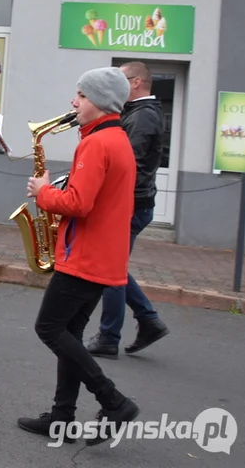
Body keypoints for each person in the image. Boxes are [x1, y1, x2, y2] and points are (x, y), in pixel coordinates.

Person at [18, 67, 141, 447]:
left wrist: (42, 192)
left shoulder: (96, 144)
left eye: (81, 96)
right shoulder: (118, 140)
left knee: (49, 329)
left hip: (85, 257)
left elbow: (78, 204)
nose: (74, 102)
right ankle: (63, 418)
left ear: (101, 101)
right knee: (69, 332)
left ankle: (113, 401)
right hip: (103, 258)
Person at [86, 62, 170, 358]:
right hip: (134, 202)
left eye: (119, 80)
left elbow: (123, 162)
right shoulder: (137, 113)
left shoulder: (143, 116)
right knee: (115, 266)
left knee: (111, 270)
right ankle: (148, 321)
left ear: (135, 83)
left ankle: (109, 337)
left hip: (132, 204)